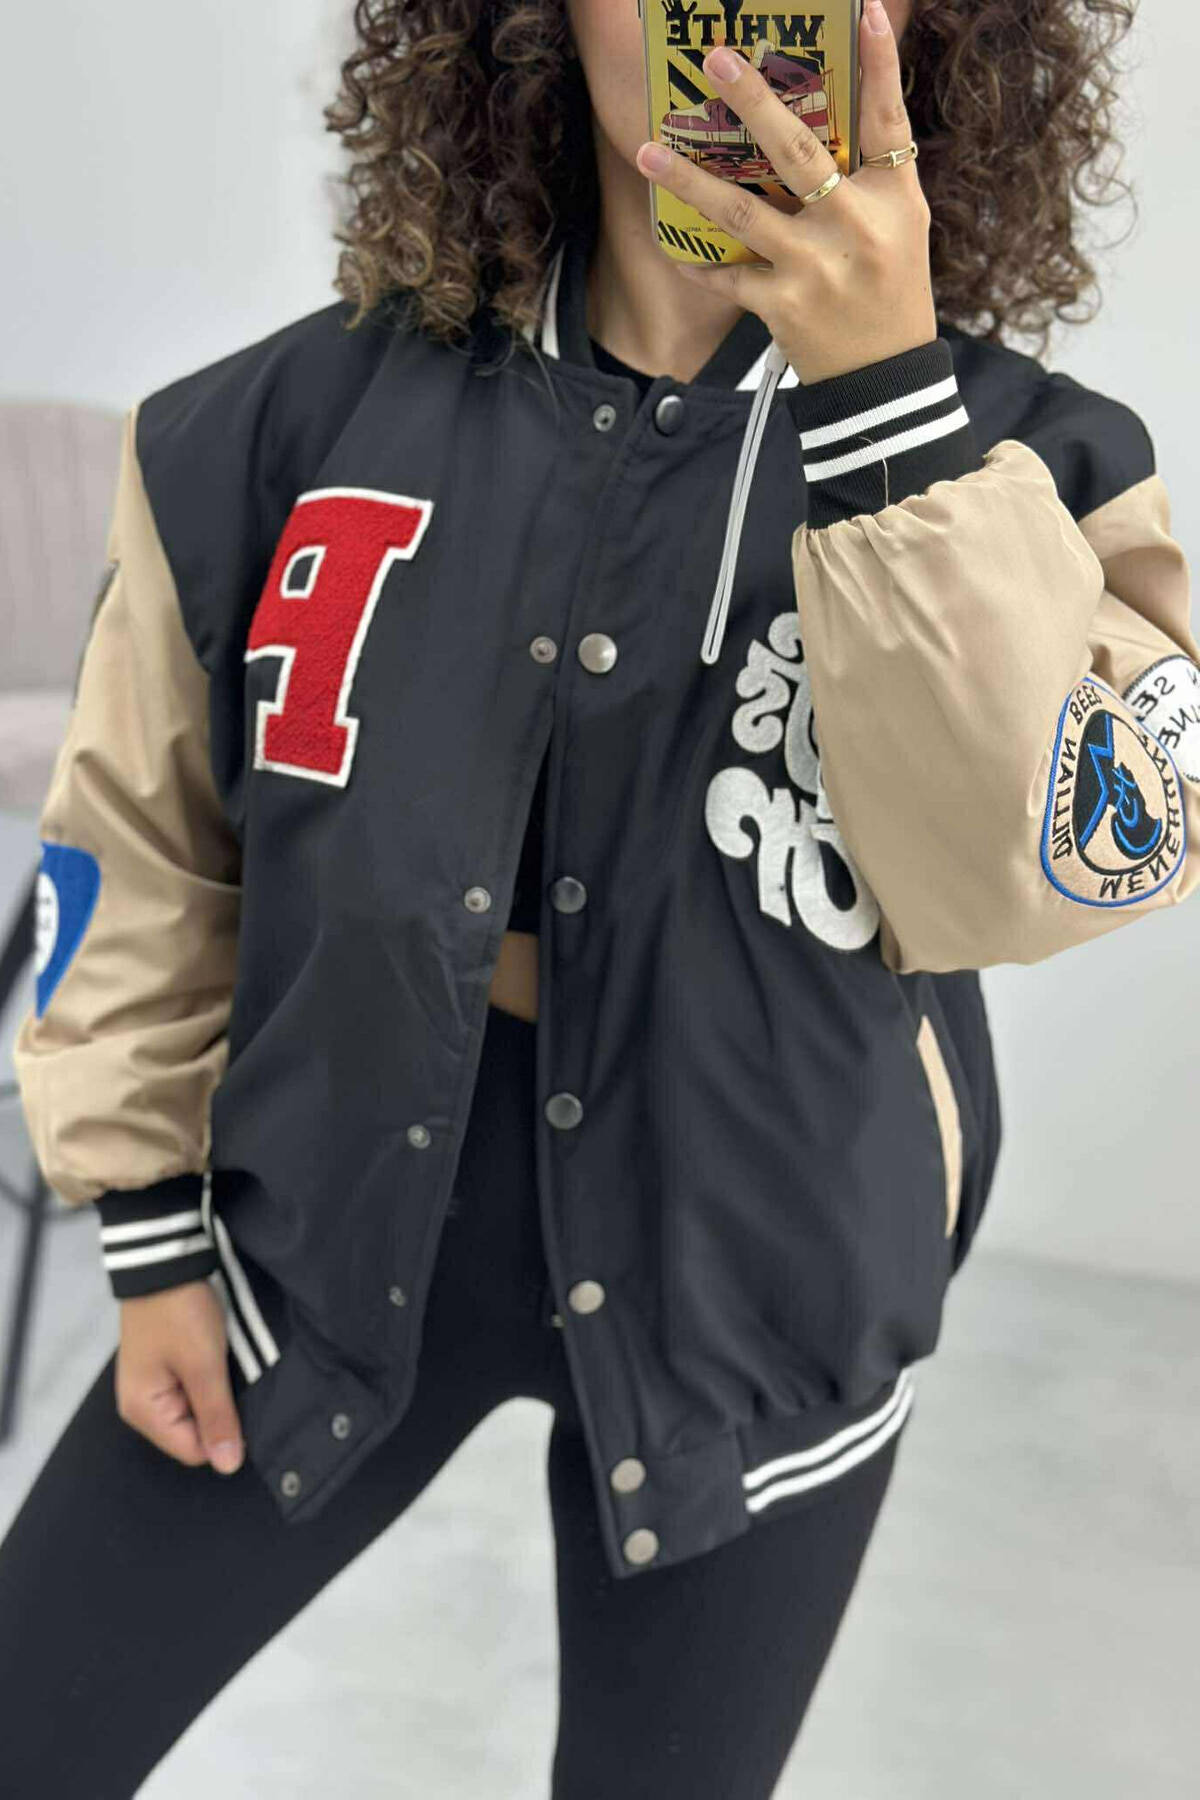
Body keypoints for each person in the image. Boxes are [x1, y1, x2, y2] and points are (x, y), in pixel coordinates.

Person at [3, 0, 1197, 1794]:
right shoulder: (284, 420)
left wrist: (886, 408)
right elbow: (139, 836)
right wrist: (150, 1223)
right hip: (315, 1215)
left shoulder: (1042, 467)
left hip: (767, 1271)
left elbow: (1041, 874)